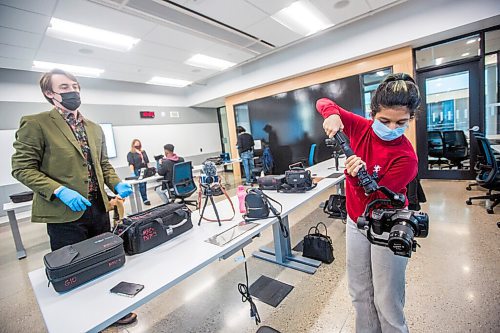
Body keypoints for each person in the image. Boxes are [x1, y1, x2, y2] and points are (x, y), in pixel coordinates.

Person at [11, 69, 137, 325]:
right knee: (76, 269)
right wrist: (59, 190)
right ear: (50, 93)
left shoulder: (93, 127)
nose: (73, 91)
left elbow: (102, 165)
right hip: (64, 213)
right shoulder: (36, 123)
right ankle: (85, 319)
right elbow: (22, 168)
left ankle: (111, 309)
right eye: (65, 87)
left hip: (98, 208)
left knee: (105, 259)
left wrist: (116, 183)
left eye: (76, 86)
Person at [316, 73, 421, 333]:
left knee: (387, 299)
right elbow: (322, 102)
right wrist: (332, 114)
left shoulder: (407, 158)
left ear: (410, 119)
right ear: (373, 113)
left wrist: (353, 177)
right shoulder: (361, 128)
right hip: (356, 221)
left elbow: (373, 200)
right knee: (360, 292)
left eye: (401, 123)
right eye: (384, 120)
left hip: (387, 223)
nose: (392, 128)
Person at [127, 139, 151, 205]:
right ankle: (145, 199)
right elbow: (131, 164)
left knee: (144, 184)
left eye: (139, 144)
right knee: (141, 185)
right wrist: (132, 173)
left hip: (145, 169)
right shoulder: (130, 153)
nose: (138, 145)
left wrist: (150, 169)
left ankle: (145, 198)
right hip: (137, 170)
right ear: (133, 145)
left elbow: (147, 161)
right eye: (136, 144)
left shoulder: (143, 152)